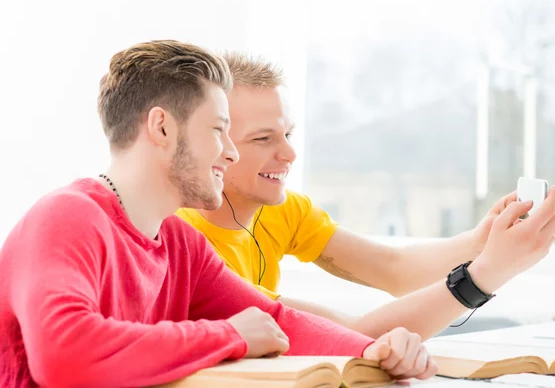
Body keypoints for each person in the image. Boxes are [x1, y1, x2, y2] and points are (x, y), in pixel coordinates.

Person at [0, 40, 438, 387]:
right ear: (162, 128)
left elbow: (276, 321)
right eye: (217, 131)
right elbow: (63, 357)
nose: (230, 153)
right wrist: (228, 336)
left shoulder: (180, 244)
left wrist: (373, 352)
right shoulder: (66, 218)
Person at [176, 52, 555, 340]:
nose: (290, 154)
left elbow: (393, 269)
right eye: (263, 139)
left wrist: (479, 243)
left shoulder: (285, 210)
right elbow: (349, 336)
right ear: (215, 144)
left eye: (288, 134)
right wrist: (488, 273)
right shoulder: (185, 241)